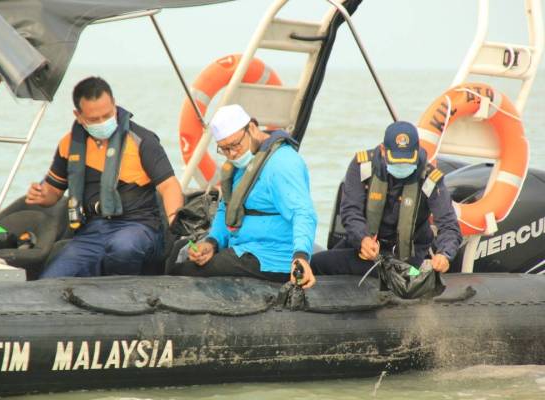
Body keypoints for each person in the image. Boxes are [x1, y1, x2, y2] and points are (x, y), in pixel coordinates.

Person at [26, 76, 183, 278]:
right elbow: (53, 192)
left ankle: (123, 299)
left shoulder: (142, 140)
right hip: (92, 232)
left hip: (138, 226)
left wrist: (175, 220)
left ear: (114, 105)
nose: (102, 122)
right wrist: (41, 194)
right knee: (52, 279)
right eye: (93, 119)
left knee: (123, 248)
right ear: (79, 115)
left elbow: (169, 185)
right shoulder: (69, 145)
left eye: (107, 115)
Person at [167, 104, 318, 288]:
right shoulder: (240, 165)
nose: (231, 154)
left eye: (235, 145)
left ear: (252, 128)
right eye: (224, 149)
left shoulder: (283, 163)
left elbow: (303, 212)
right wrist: (212, 243)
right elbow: (226, 209)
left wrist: (301, 256)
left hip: (271, 257)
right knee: (176, 251)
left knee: (185, 270)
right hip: (242, 247)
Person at [311, 120, 462, 275]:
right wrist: (363, 239)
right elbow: (351, 210)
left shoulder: (430, 179)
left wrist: (444, 254)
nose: (402, 166)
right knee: (316, 263)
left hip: (408, 254)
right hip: (366, 244)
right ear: (383, 150)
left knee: (404, 274)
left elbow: (449, 225)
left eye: (407, 161)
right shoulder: (362, 166)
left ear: (417, 152)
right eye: (397, 161)